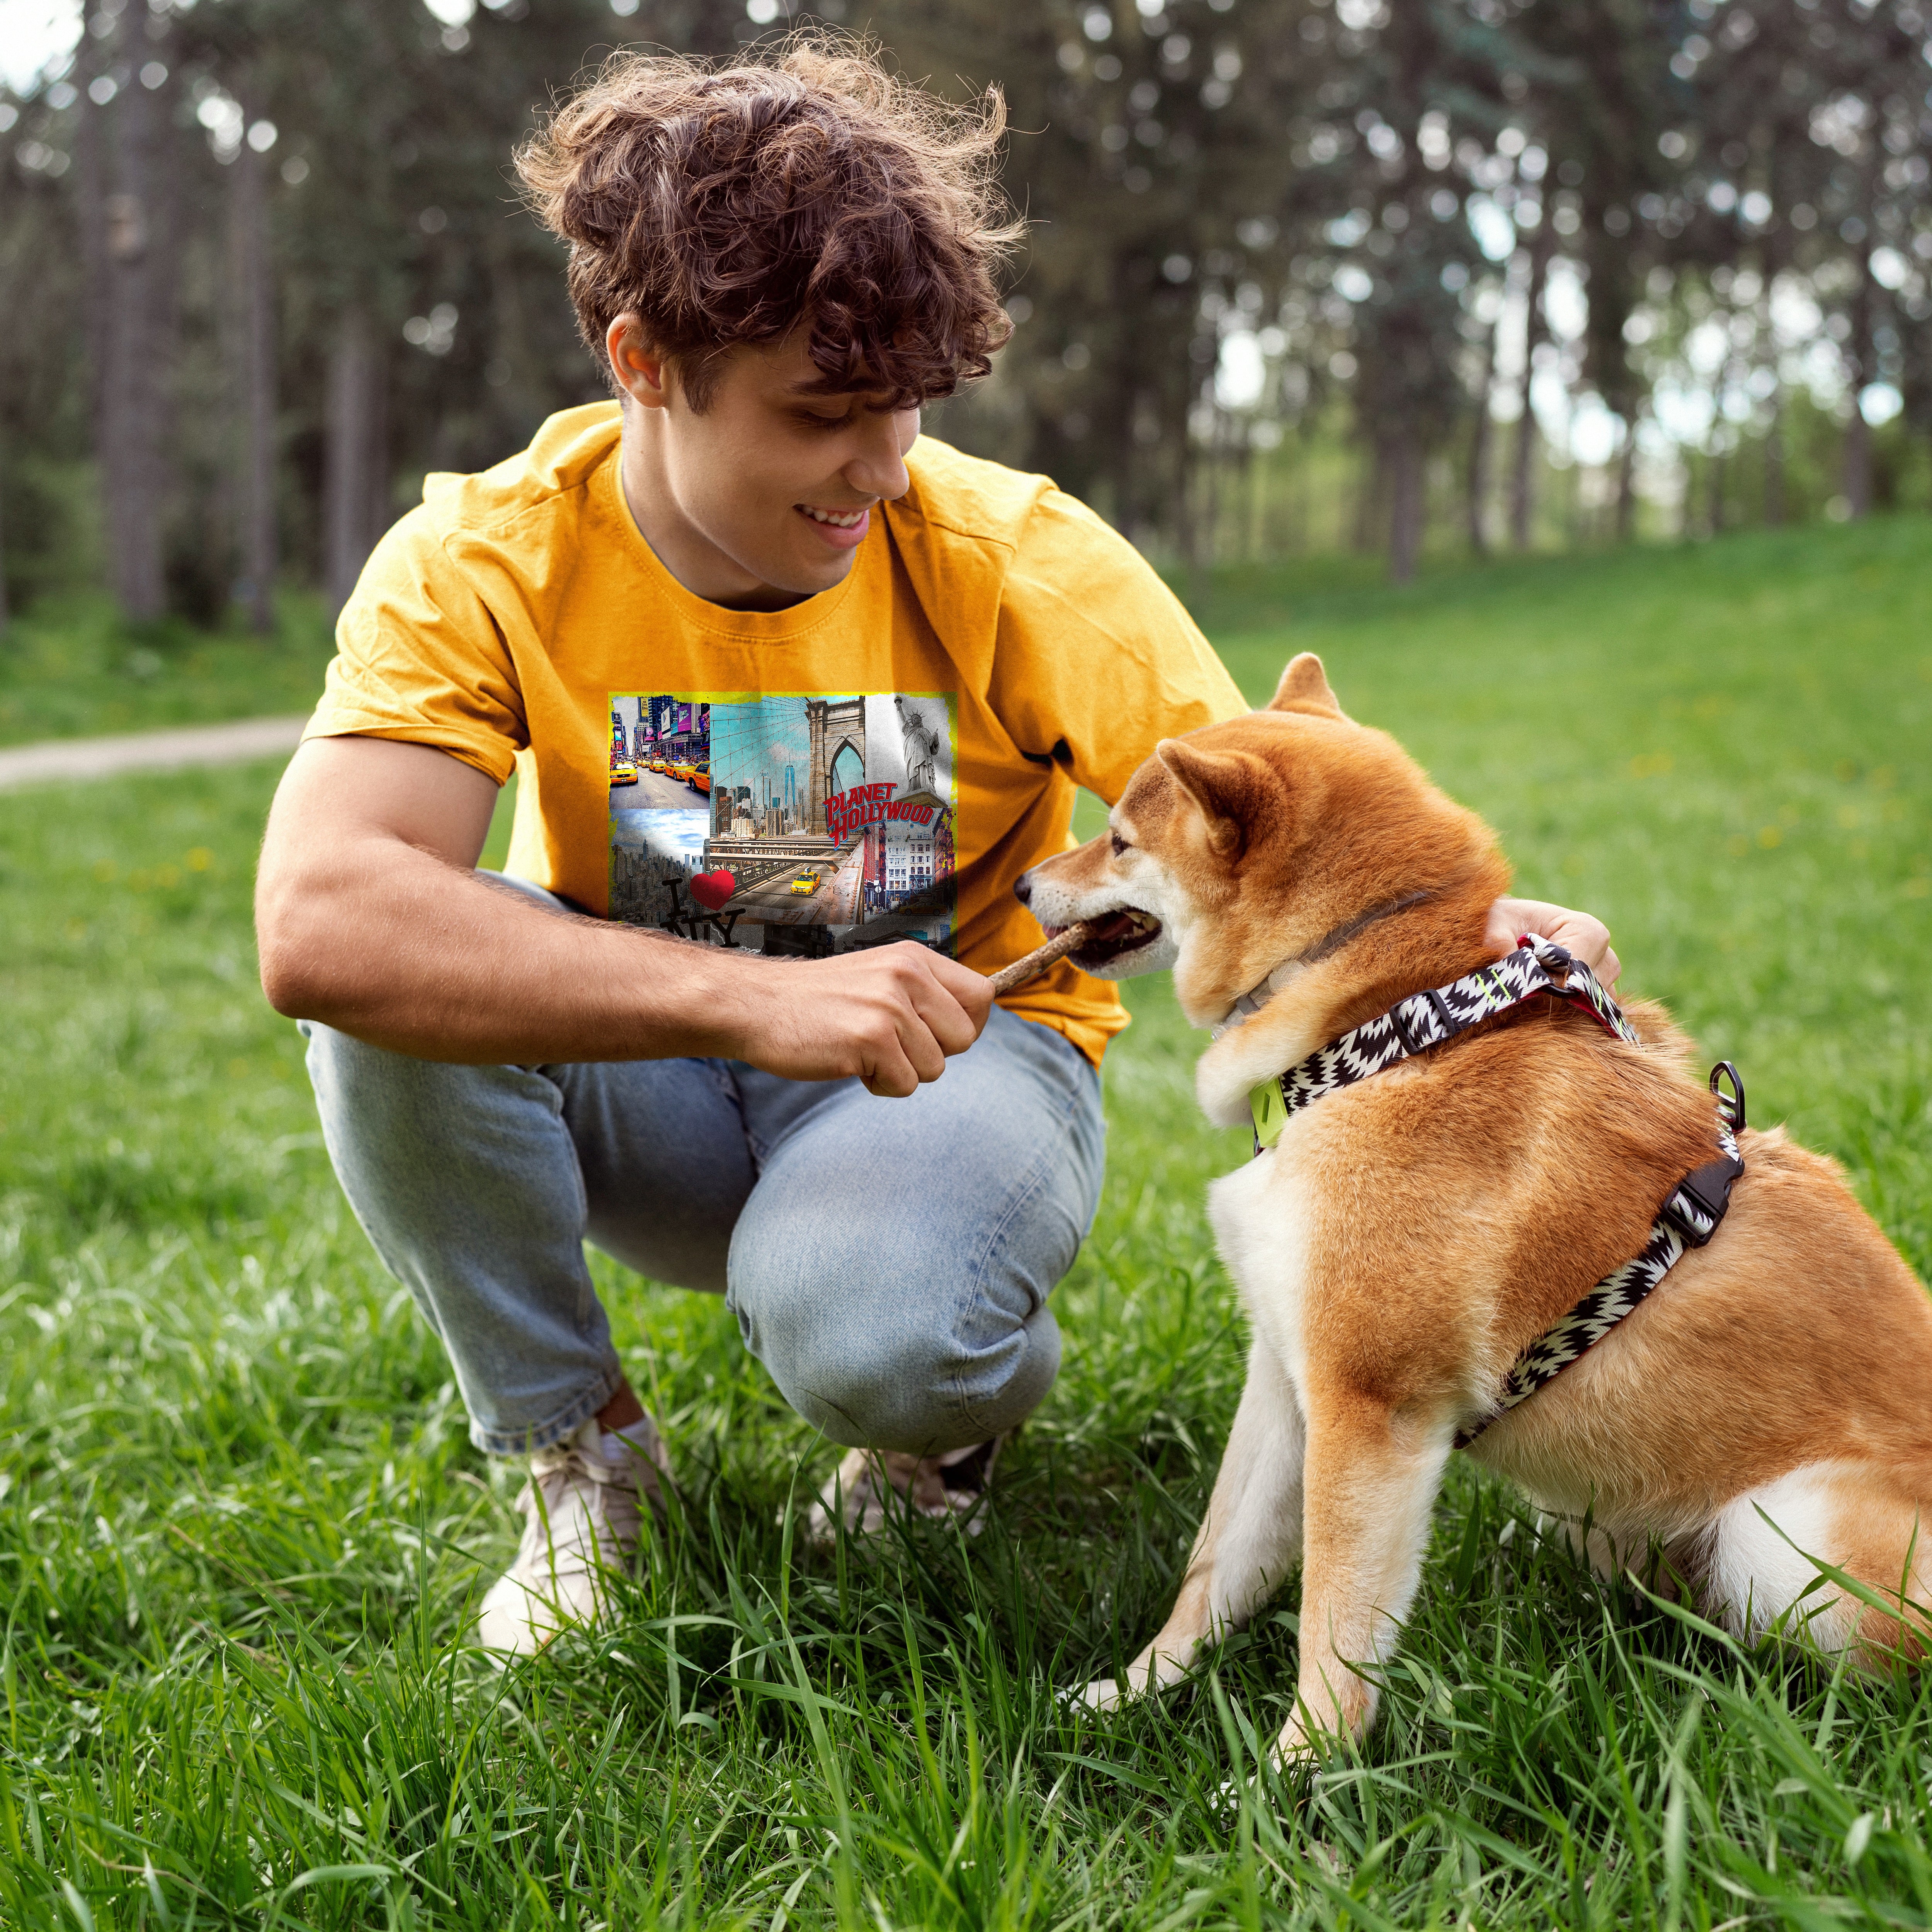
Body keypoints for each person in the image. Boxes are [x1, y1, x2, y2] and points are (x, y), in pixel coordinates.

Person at [253, 39, 1617, 1655]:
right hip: (656, 1079)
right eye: (823, 414)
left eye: (907, 405)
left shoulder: (1014, 554)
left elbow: (1268, 824)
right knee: (385, 993)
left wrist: (1469, 940)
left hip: (960, 1073)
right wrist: (749, 1003)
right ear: (641, 360)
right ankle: (584, 1459)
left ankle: (941, 1418)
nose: (884, 467)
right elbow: (320, 919)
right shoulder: (480, 560)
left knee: (873, 1333)